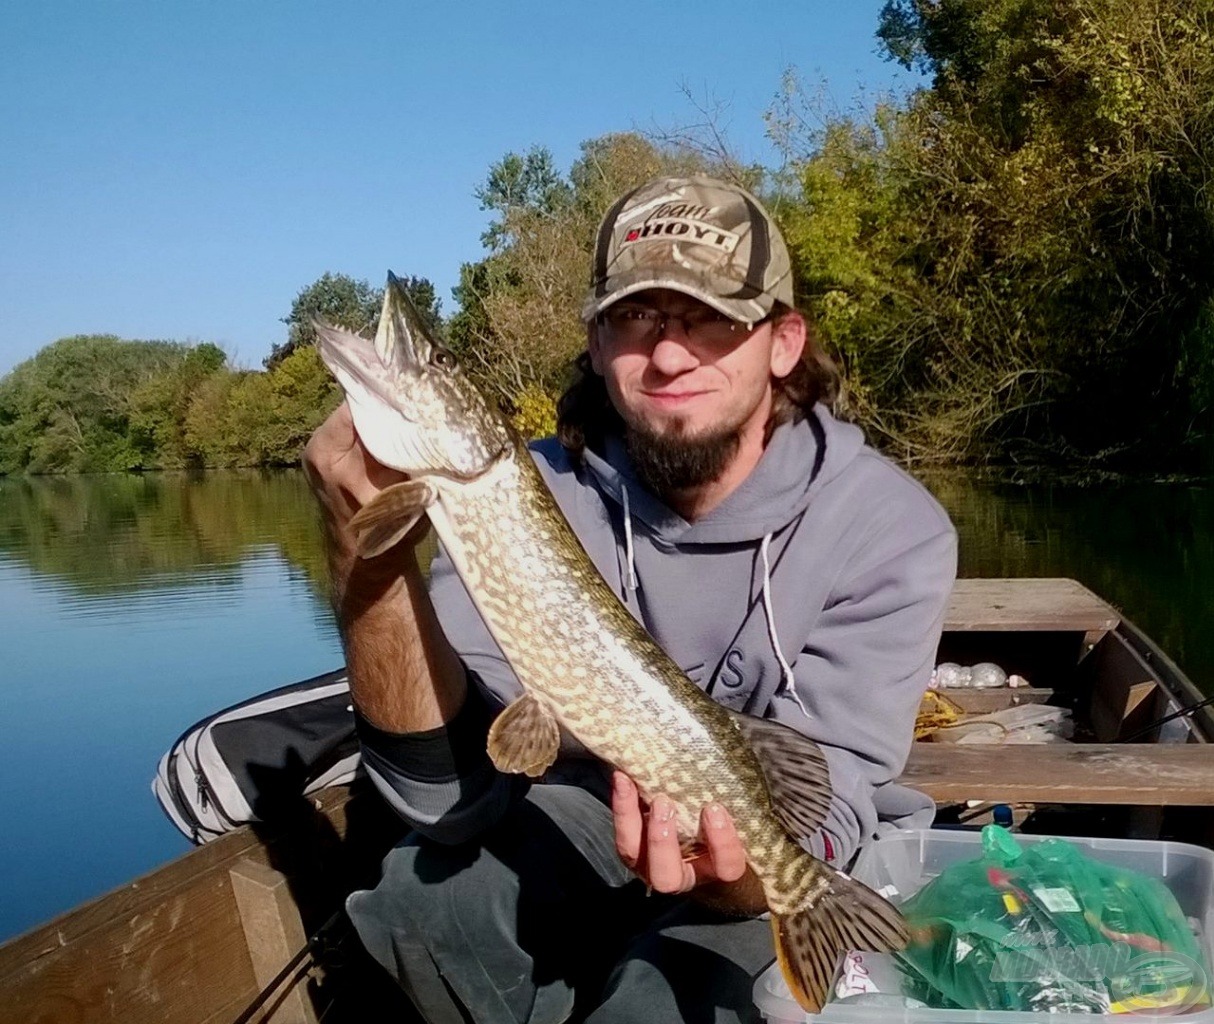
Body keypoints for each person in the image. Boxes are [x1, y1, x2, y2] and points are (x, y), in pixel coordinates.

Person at [303, 175, 958, 1024]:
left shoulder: (891, 525)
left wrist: (747, 878)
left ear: (784, 341)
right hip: (582, 803)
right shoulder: (522, 492)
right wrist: (365, 557)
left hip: (764, 855)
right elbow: (445, 802)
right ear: (597, 341)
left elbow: (828, 794)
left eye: (712, 318)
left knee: (653, 1007)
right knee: (421, 908)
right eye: (635, 320)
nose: (671, 355)